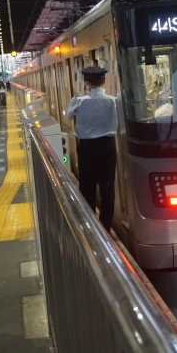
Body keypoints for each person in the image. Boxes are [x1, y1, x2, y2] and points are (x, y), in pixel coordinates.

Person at [65, 67, 118, 231]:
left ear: (87, 84)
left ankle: (90, 227)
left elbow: (67, 115)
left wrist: (74, 99)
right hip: (108, 146)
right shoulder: (113, 101)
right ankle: (106, 228)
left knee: (87, 186)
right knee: (107, 187)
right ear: (103, 82)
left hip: (87, 148)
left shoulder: (80, 101)